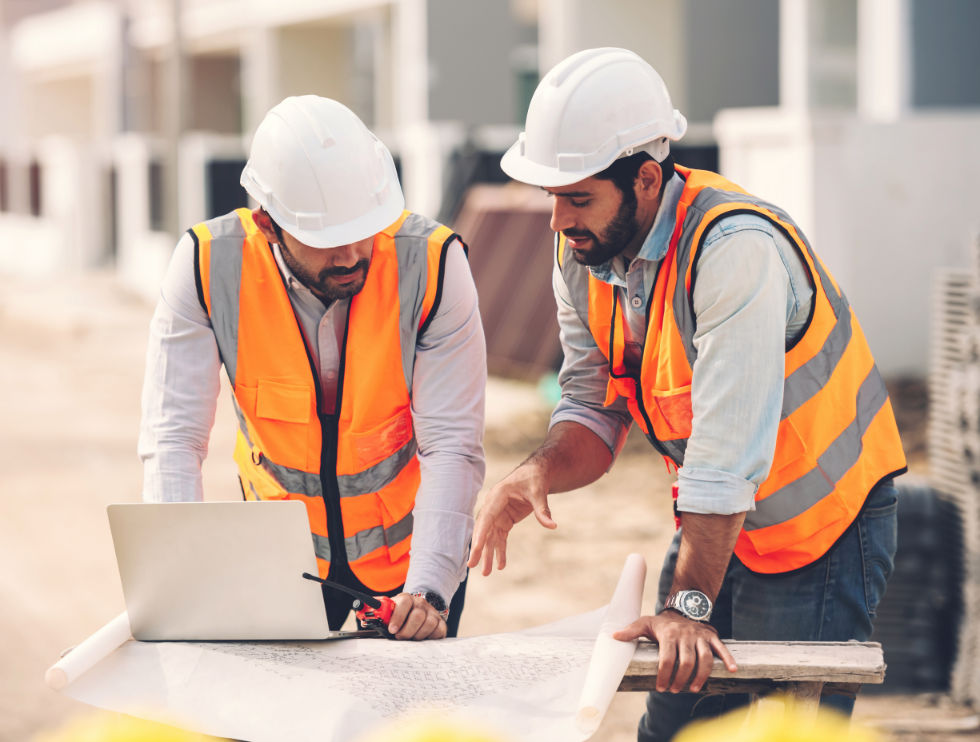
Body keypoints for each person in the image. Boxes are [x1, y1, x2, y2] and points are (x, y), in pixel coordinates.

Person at [468, 47, 906, 739]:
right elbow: (591, 406)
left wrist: (689, 608)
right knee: (673, 728)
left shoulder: (735, 249)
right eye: (552, 198)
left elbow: (725, 454)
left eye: (578, 198)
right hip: (716, 522)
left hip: (822, 526)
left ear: (646, 178)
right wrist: (537, 472)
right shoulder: (583, 255)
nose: (557, 221)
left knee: (784, 730)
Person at [139, 95, 486, 641]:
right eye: (326, 241)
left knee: (401, 723)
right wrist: (186, 582)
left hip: (409, 563)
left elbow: (453, 446)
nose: (349, 255)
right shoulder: (210, 266)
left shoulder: (434, 264)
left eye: (363, 230)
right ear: (269, 226)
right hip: (281, 564)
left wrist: (430, 589)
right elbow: (174, 438)